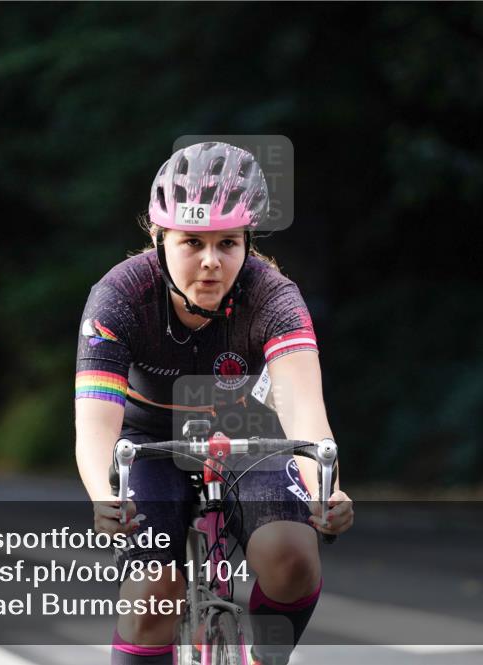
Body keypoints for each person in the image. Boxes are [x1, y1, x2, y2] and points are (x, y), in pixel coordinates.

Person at [74, 142, 353, 665]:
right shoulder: (119, 296)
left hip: (250, 432)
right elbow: (95, 427)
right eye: (190, 243)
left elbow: (305, 414)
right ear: (158, 241)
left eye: (228, 243)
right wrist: (102, 495)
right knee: (153, 593)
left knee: (291, 557)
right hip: (148, 440)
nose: (210, 261)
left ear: (248, 241)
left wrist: (327, 488)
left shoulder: (273, 297)